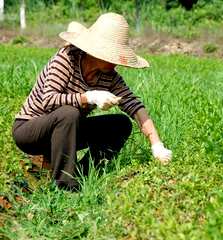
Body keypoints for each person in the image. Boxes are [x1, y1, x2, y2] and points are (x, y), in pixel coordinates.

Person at [12, 13, 172, 191]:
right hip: (30, 130)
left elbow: (134, 106)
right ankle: (65, 187)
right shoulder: (66, 59)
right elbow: (48, 100)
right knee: (69, 112)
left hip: (66, 131)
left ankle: (82, 174)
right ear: (96, 51)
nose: (116, 61)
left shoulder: (109, 78)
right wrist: (88, 97)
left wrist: (156, 143)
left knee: (121, 124)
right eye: (112, 55)